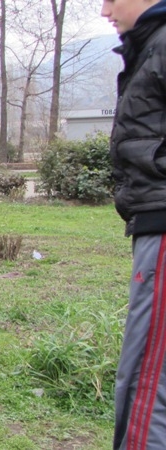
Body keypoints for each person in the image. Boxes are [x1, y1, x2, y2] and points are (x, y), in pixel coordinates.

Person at [101, 0, 166, 448]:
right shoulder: (150, 47)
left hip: (162, 226)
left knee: (148, 379)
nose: (104, 10)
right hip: (150, 220)